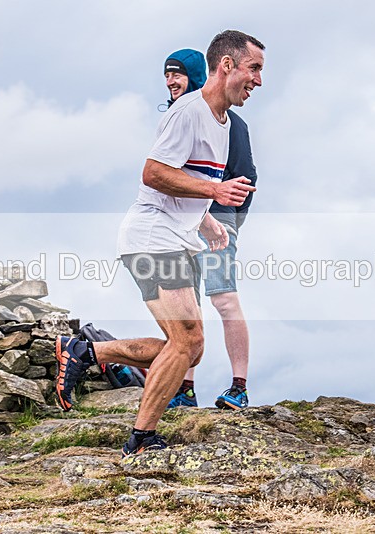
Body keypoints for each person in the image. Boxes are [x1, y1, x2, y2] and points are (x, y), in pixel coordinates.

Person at [54, 30, 265, 457]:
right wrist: (214, 195)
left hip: (178, 237)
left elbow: (187, 179)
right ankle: (142, 438)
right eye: (254, 68)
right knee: (186, 340)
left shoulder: (223, 124)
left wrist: (206, 221)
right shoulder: (188, 112)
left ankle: (88, 352)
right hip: (152, 236)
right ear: (226, 65)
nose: (258, 80)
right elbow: (152, 173)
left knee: (190, 349)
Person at [159, 49, 259, 411]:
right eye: (167, 75)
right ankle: (184, 389)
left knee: (224, 297)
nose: (171, 81)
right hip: (178, 223)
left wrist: (228, 223)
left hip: (218, 218)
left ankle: (239, 387)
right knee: (188, 305)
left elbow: (246, 176)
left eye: (178, 75)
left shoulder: (229, 121)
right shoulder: (179, 115)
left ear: (197, 76)